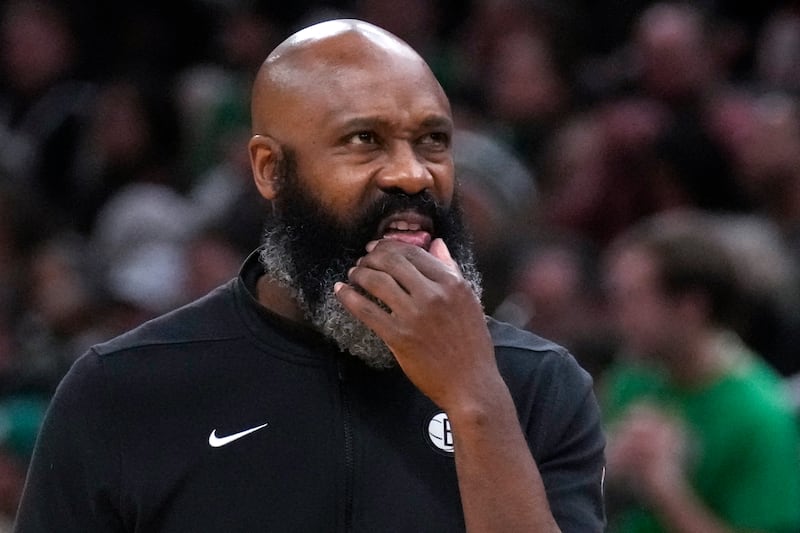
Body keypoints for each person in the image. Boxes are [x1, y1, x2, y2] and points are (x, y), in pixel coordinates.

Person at [14, 19, 605, 531]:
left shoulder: (536, 387)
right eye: (364, 140)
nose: (412, 175)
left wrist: (475, 397)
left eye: (433, 141)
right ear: (271, 170)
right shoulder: (123, 391)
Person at [600, 211, 800, 533]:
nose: (619, 316)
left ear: (690, 307)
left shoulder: (761, 416)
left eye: (634, 298)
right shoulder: (634, 378)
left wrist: (665, 488)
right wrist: (606, 464)